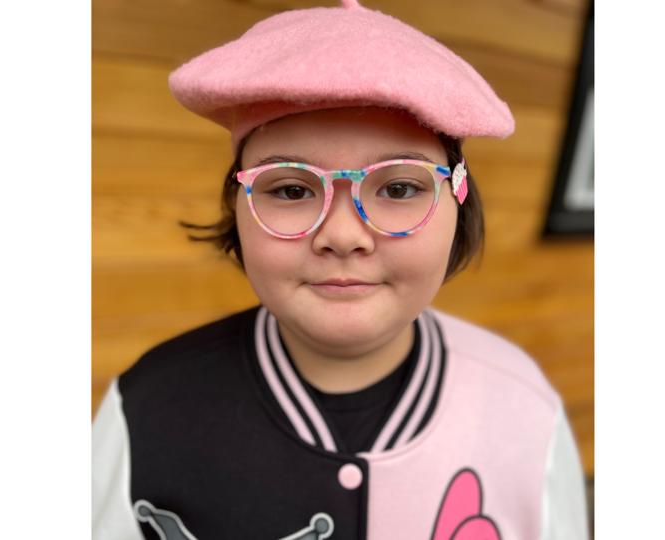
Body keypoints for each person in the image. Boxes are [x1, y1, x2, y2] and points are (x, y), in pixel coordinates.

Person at [92, 1, 588, 539]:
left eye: (399, 187)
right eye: (291, 189)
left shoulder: (524, 409)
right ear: (238, 205)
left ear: (459, 201)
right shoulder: (147, 410)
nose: (343, 236)